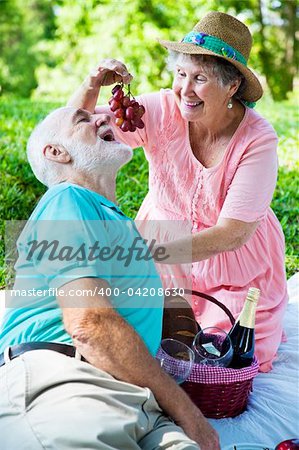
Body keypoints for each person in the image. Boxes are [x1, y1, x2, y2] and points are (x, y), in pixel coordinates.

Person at [67, 11, 288, 373]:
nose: (184, 89)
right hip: (164, 253)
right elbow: (75, 135)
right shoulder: (160, 109)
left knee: (228, 360)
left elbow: (234, 233)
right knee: (138, 345)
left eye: (200, 78)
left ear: (231, 86)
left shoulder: (257, 140)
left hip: (232, 263)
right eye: (180, 74)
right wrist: (92, 84)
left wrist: (147, 250)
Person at [0, 107, 220, 449]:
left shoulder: (114, 220)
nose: (104, 117)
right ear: (57, 153)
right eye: (83, 120)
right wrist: (187, 412)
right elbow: (89, 323)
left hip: (137, 399)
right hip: (66, 382)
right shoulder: (67, 198)